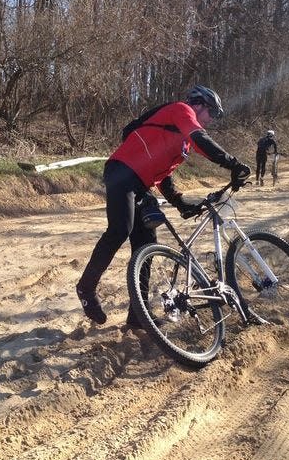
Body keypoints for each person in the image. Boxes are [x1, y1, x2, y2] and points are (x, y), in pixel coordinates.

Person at [76, 85, 251, 325]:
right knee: (120, 230)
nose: (211, 120)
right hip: (121, 172)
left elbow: (163, 176)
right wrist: (233, 164)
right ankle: (86, 288)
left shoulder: (181, 143)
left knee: (147, 245)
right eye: (212, 113)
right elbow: (200, 138)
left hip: (140, 184)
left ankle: (138, 314)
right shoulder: (181, 110)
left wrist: (179, 203)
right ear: (200, 105)